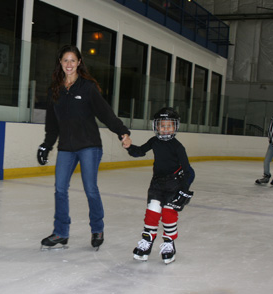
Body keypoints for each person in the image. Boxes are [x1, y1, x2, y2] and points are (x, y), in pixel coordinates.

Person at [37, 45, 131, 250]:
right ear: (60, 63)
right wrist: (46, 145)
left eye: (73, 60)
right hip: (66, 148)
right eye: (65, 60)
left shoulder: (87, 88)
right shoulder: (55, 89)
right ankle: (61, 233)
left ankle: (97, 229)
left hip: (89, 146)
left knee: (90, 189)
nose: (69, 64)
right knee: (60, 189)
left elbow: (105, 113)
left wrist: (122, 132)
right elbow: (52, 124)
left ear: (79, 62)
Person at [126, 107, 195, 264]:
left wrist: (184, 190)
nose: (165, 129)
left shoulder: (178, 146)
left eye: (169, 126)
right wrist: (129, 146)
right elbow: (139, 152)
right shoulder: (154, 141)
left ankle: (169, 243)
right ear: (156, 126)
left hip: (174, 184)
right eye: (162, 126)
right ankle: (147, 241)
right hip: (156, 183)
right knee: (152, 211)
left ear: (175, 127)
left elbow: (189, 172)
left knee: (168, 214)